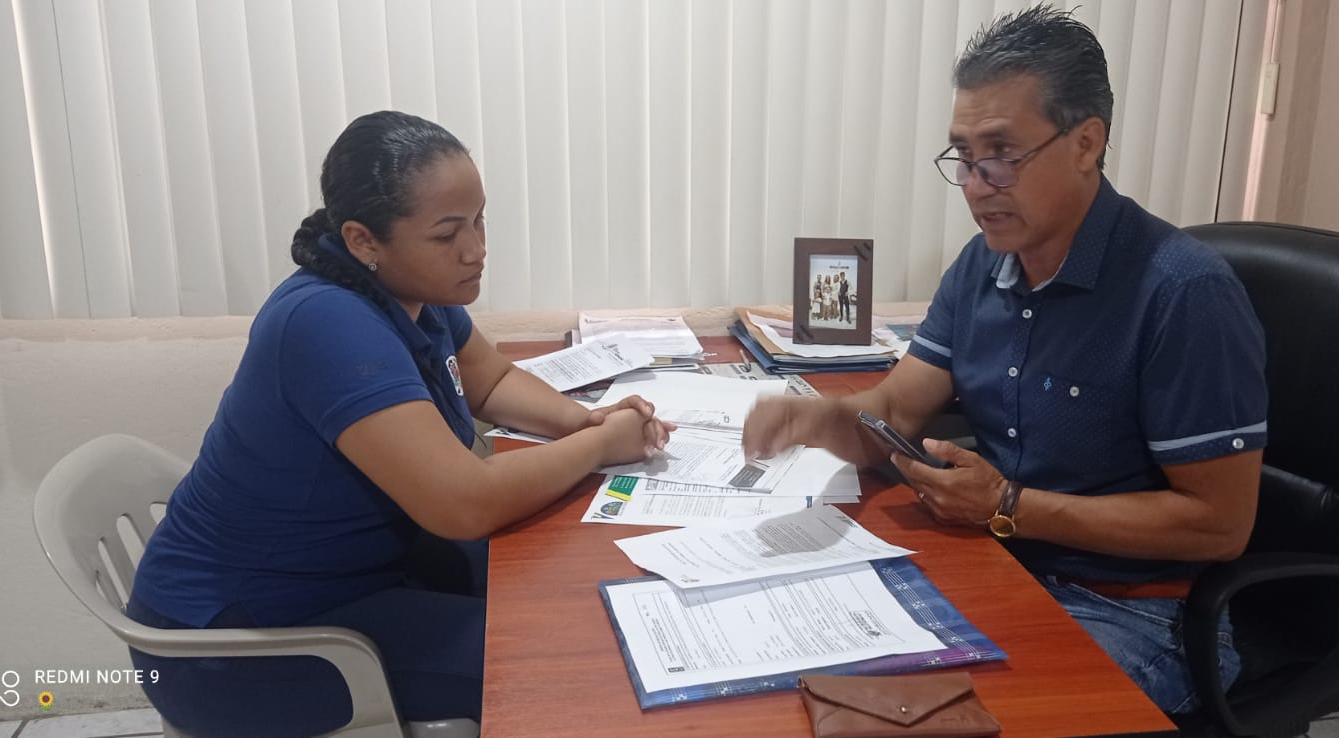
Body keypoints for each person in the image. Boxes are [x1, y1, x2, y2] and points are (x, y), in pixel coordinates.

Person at [743, 6, 1265, 714]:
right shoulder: (982, 266)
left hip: (1137, 608)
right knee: (802, 670)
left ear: (1085, 144)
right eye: (963, 156)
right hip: (995, 561)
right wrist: (820, 419)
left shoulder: (1183, 292)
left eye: (1000, 154)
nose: (975, 182)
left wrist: (1009, 507)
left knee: (932, 720)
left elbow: (1220, 524)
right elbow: (896, 409)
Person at [127, 111, 672, 736]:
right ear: (364, 241)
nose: (476, 250)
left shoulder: (412, 290)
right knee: (562, 661)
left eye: (479, 220)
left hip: (357, 572)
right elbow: (465, 504)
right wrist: (599, 445)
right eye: (447, 234)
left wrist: (584, 419)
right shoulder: (326, 323)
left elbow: (490, 381)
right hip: (241, 640)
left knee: (566, 588)